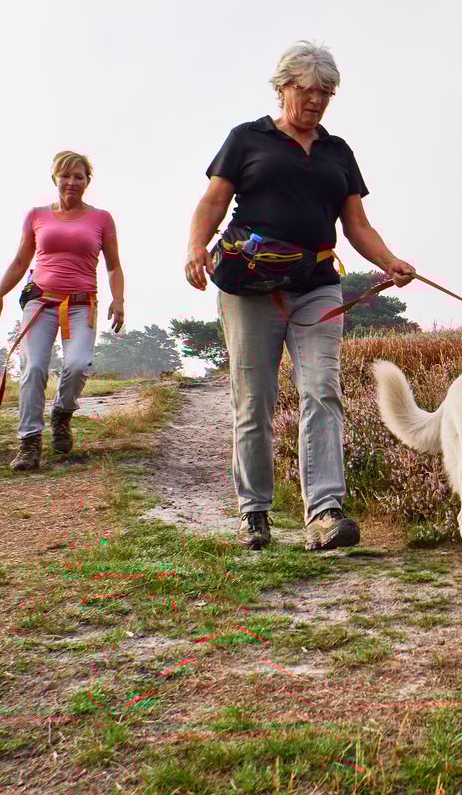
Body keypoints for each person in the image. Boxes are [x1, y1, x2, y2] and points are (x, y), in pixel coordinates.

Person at [184, 40, 416, 551]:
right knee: (254, 400)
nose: (315, 101)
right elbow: (213, 201)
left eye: (326, 93)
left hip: (316, 287)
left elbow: (356, 225)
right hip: (249, 289)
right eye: (307, 91)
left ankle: (325, 514)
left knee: (322, 392)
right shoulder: (247, 139)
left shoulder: (338, 153)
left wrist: (390, 262)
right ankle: (254, 514)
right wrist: (196, 248)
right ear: (283, 87)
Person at [0, 150, 125, 470]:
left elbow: (114, 267)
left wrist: (118, 300)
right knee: (33, 368)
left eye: (79, 176)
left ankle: (62, 414)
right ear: (54, 179)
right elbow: (21, 261)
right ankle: (29, 442)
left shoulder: (101, 218)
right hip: (41, 302)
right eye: (66, 175)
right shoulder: (36, 215)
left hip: (81, 303)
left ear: (88, 181)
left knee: (77, 364)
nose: (72, 182)